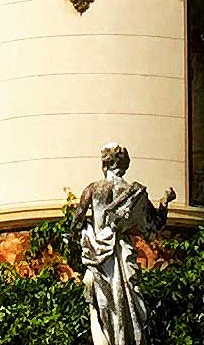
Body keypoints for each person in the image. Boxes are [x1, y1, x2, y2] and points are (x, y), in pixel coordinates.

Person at [73, 145, 172, 345]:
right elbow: (155, 225)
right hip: (122, 254)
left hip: (97, 257)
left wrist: (86, 235)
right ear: (124, 165)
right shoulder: (134, 192)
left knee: (100, 309)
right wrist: (165, 201)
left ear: (104, 164)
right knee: (126, 308)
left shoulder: (93, 189)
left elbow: (75, 223)